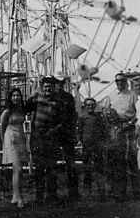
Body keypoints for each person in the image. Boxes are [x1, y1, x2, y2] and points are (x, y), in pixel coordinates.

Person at [25, 75, 65, 206]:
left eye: (50, 87)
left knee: (52, 168)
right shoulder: (37, 98)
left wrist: (53, 131)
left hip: (52, 138)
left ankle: (52, 196)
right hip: (38, 138)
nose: (48, 88)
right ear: (43, 87)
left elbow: (62, 122)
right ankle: (39, 197)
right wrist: (30, 96)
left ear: (54, 88)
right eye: (46, 86)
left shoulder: (58, 102)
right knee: (39, 168)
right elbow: (25, 109)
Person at [103, 72, 140, 199]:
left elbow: (138, 112)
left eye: (122, 80)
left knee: (131, 159)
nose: (119, 83)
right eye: (117, 81)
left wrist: (130, 123)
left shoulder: (133, 94)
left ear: (126, 81)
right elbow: (105, 112)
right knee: (118, 161)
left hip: (129, 129)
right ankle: (119, 192)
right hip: (116, 130)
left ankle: (136, 192)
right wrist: (112, 127)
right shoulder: (111, 95)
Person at [0, 87, 28, 208]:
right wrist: (4, 145)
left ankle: (15, 196)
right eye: (14, 96)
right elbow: (2, 128)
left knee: (17, 171)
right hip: (10, 140)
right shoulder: (7, 112)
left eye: (18, 96)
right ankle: (20, 198)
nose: (16, 98)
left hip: (20, 139)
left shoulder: (22, 110)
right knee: (19, 169)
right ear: (10, 98)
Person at [55, 71, 80, 200]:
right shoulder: (50, 96)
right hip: (54, 133)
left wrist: (73, 132)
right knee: (52, 163)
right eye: (57, 82)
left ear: (64, 83)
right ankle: (52, 193)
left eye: (61, 82)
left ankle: (73, 192)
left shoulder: (69, 97)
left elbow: (73, 115)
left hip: (66, 132)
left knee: (71, 163)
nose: (59, 84)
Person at [78, 98, 106, 201]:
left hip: (97, 146)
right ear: (85, 106)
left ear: (95, 106)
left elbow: (103, 131)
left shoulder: (99, 117)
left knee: (99, 169)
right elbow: (79, 132)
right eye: (88, 105)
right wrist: (81, 143)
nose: (90, 107)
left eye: (92, 105)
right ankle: (87, 193)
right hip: (87, 147)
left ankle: (101, 193)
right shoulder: (83, 117)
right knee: (87, 170)